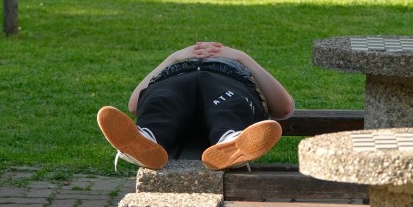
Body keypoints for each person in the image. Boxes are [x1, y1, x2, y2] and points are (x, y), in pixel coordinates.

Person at [97, 41, 294, 171]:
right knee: (162, 101)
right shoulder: (175, 65)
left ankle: (232, 141)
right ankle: (145, 140)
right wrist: (174, 58)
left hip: (227, 80)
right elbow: (134, 104)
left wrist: (242, 57)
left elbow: (285, 108)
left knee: (228, 105)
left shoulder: (237, 64)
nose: (205, 51)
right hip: (175, 81)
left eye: (214, 50)